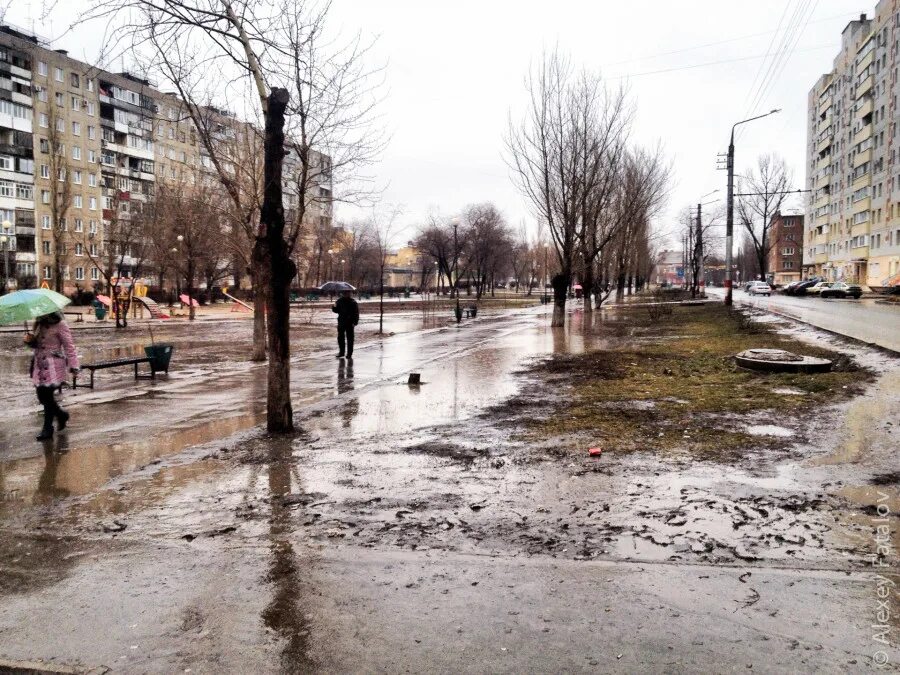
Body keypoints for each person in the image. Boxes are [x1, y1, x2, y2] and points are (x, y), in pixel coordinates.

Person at [25, 312, 79, 440]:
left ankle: (47, 428)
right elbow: (37, 346)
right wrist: (30, 342)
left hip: (54, 366)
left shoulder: (60, 324)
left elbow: (69, 346)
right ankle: (61, 415)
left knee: (46, 396)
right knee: (42, 396)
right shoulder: (38, 324)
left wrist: (74, 365)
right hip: (39, 366)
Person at [331, 289, 359, 359]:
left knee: (350, 339)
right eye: (346, 293)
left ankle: (349, 353)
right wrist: (334, 307)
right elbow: (336, 310)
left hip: (350, 323)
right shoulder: (339, 301)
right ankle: (341, 352)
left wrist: (355, 322)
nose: (348, 294)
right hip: (341, 322)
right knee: (340, 338)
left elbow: (356, 313)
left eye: (349, 293)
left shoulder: (353, 302)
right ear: (343, 294)